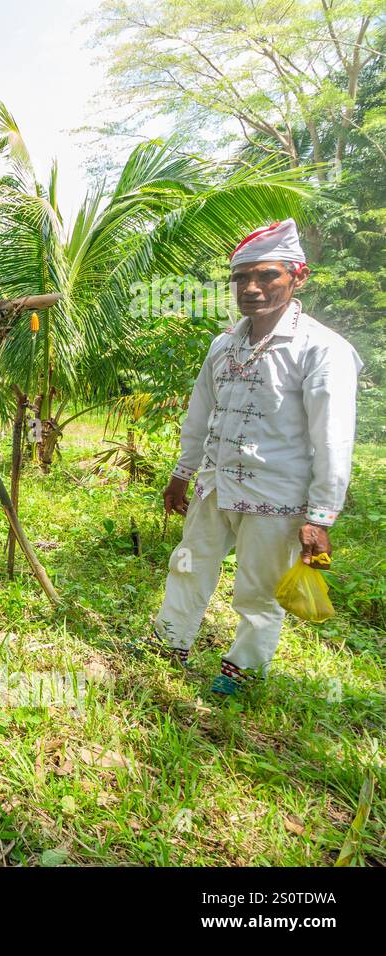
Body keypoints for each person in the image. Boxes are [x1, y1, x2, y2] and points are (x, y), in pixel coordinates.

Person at [147, 219, 362, 695]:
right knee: (188, 564)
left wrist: (321, 514)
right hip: (215, 484)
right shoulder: (223, 345)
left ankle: (242, 671)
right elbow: (200, 414)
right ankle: (168, 643)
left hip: (276, 494)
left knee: (259, 591)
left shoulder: (322, 349)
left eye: (267, 276)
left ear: (297, 277)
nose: (252, 288)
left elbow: (333, 437)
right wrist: (181, 474)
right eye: (241, 278)